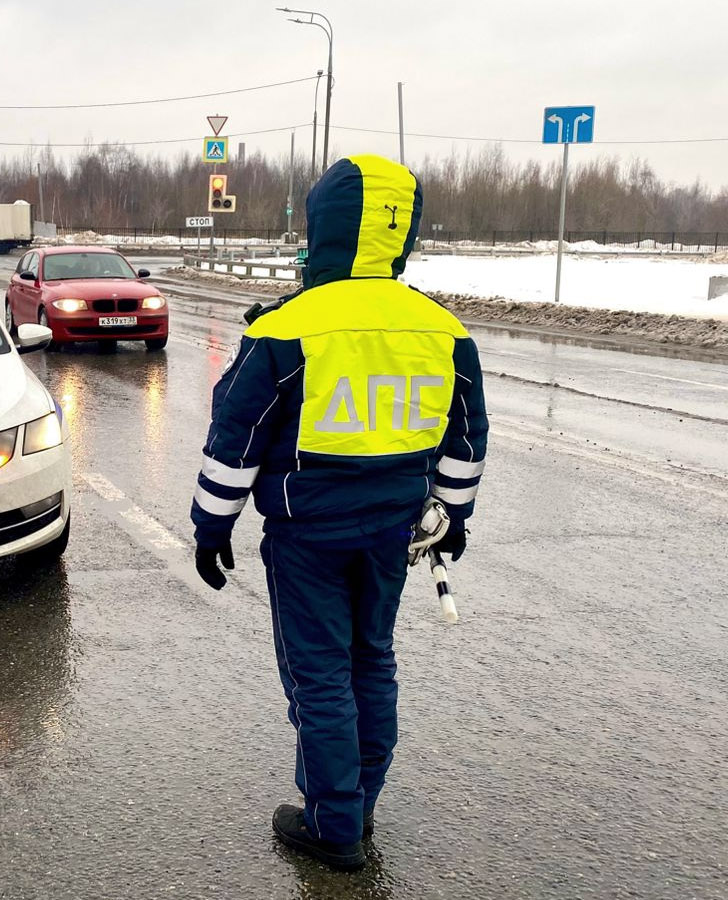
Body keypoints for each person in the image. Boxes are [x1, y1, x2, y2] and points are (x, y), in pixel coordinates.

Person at [189, 155, 489, 871]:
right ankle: (363, 804)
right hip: (394, 533)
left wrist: (212, 528)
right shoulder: (441, 328)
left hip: (307, 537)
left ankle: (333, 826)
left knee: (320, 676)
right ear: (400, 233)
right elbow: (467, 432)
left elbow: (238, 435)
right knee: (372, 662)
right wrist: (454, 512)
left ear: (323, 226)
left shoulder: (289, 328)